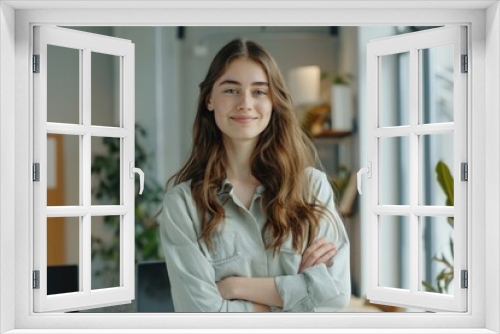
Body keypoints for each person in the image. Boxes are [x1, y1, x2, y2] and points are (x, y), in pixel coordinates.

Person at [160, 38, 350, 312]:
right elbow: (201, 316)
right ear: (210, 100)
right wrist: (295, 294)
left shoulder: (312, 188)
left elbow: (336, 297)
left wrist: (235, 287)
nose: (245, 103)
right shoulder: (184, 205)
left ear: (274, 101)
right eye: (231, 90)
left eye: (260, 92)